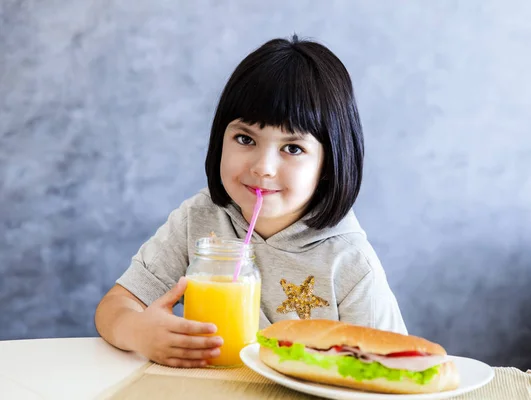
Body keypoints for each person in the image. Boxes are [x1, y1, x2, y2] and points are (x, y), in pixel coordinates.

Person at [95, 34, 407, 368]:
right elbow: (116, 306)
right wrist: (138, 331)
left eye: (293, 148)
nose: (262, 167)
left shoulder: (348, 260)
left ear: (329, 164)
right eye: (245, 139)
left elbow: (388, 367)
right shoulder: (199, 220)